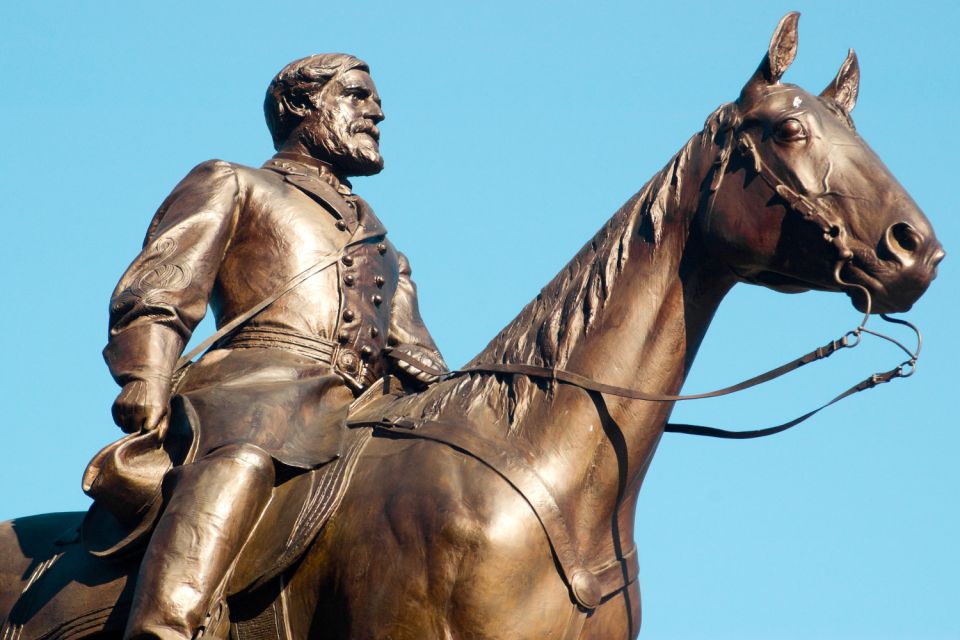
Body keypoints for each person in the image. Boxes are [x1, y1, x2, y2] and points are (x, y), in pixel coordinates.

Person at [101, 53, 447, 640]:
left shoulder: (383, 246)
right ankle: (164, 626)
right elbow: (163, 284)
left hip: (354, 408)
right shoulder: (234, 181)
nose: (377, 111)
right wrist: (147, 377)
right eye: (357, 96)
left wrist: (436, 383)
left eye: (373, 99)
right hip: (253, 390)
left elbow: (417, 349)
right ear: (299, 106)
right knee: (242, 460)